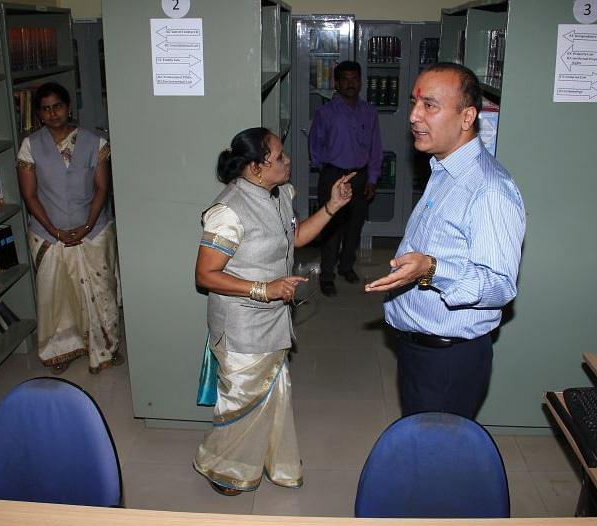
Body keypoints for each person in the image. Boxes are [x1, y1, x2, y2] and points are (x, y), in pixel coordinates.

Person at [193, 127, 354, 495]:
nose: (288, 160)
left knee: (269, 395)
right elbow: (205, 275)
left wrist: (332, 206)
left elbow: (293, 239)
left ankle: (265, 458)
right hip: (241, 325)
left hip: (273, 318)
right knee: (242, 399)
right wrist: (264, 290)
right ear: (256, 167)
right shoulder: (228, 211)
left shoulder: (279, 193)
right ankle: (225, 468)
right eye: (279, 156)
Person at [365, 63, 525, 420]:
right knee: (420, 441)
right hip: (419, 349)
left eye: (430, 106)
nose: (413, 116)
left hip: (448, 360)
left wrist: (432, 269)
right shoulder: (444, 168)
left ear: (467, 117)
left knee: (436, 449)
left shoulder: (489, 190)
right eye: (414, 103)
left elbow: (500, 285)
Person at [17, 82, 122, 375]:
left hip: (94, 230)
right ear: (39, 114)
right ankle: (60, 350)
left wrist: (87, 226)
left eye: (58, 106)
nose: (53, 113)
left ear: (68, 107)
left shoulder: (95, 142)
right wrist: (55, 231)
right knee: (57, 297)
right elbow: (30, 195)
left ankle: (106, 346)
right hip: (48, 234)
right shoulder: (30, 146)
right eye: (45, 109)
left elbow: (102, 188)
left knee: (102, 291)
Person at [309, 60, 382, 296]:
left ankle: (346, 266)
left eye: (355, 79)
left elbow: (375, 147)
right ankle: (326, 275)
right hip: (333, 174)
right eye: (345, 79)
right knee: (331, 227)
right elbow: (315, 143)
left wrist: (372, 178)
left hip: (359, 176)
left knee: (354, 225)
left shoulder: (369, 112)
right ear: (337, 83)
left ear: (360, 82)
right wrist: (324, 167)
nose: (350, 84)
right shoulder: (325, 113)